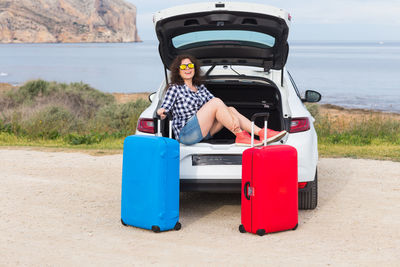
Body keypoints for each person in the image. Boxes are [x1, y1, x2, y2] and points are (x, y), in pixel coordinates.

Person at [157, 55, 287, 146]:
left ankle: (262, 133)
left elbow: (219, 106)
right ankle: (240, 135)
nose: (187, 69)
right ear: (178, 71)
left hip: (204, 132)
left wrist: (233, 117)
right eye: (183, 67)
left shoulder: (200, 88)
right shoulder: (175, 88)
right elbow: (166, 106)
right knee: (217, 103)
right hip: (186, 134)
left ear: (194, 68)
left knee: (230, 109)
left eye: (190, 65)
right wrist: (161, 111)